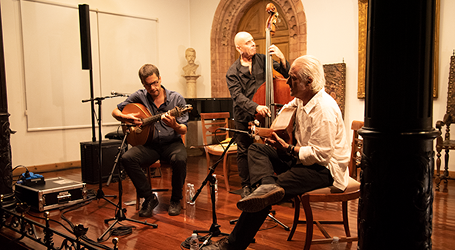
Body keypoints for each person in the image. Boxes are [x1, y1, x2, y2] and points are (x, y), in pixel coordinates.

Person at [203, 55, 351, 249]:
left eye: (293, 78)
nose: (287, 81)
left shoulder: (324, 109)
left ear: (309, 81)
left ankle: (231, 245)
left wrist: (287, 148)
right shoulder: (303, 99)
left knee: (261, 199)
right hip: (302, 159)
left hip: (324, 170)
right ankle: (266, 185)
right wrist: (270, 128)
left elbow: (320, 155)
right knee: (256, 148)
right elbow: (287, 109)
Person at [112, 64, 188, 217]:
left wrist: (174, 125)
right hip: (149, 145)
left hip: (171, 143)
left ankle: (175, 200)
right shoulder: (139, 96)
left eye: (155, 83)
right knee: (127, 158)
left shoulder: (176, 98)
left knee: (180, 159)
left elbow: (183, 129)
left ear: (160, 79)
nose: (153, 87)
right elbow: (115, 111)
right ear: (143, 84)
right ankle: (149, 198)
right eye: (148, 85)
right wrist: (126, 117)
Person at [226, 31, 290, 198]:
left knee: (269, 147)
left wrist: (282, 59)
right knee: (244, 150)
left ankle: (268, 182)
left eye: (253, 40)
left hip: (267, 111)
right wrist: (255, 107)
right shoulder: (232, 72)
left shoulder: (263, 60)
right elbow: (237, 97)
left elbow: (285, 75)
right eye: (248, 42)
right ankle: (246, 185)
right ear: (239, 48)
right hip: (244, 114)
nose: (253, 43)